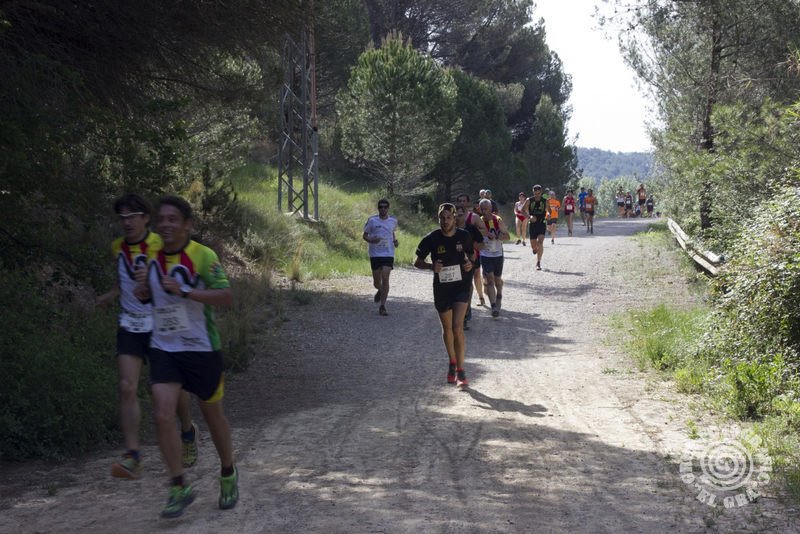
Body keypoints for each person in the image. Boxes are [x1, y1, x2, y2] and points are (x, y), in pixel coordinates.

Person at [136, 195, 238, 518]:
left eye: (173, 219)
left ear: (187, 224)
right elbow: (153, 297)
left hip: (201, 349)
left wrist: (185, 291)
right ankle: (178, 486)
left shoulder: (203, 255)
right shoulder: (151, 256)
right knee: (162, 415)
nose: (165, 225)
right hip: (164, 348)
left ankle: (228, 472)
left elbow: (226, 297)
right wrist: (145, 292)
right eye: (161, 220)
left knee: (213, 417)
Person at [96, 194, 197, 481]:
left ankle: (187, 432)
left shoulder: (160, 244)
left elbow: (175, 279)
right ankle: (133, 457)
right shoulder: (118, 246)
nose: (127, 223)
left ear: (146, 218)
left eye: (132, 217)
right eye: (122, 218)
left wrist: (153, 282)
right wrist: (112, 293)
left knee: (174, 388)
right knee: (126, 386)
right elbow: (124, 273)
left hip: (162, 321)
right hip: (130, 322)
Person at [414, 204, 475, 388]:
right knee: (447, 329)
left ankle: (461, 371)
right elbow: (416, 261)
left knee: (457, 328)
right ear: (438, 219)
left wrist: (470, 263)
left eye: (449, 217)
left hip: (461, 286)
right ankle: (452, 362)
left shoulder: (464, 236)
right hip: (442, 289)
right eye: (442, 218)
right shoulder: (431, 238)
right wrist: (431, 266)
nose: (445, 221)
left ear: (455, 218)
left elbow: (471, 252)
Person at [362, 199, 399, 316]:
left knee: (385, 277)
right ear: (378, 208)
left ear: (388, 208)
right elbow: (365, 235)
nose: (383, 209)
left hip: (388, 253)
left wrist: (395, 241)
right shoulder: (372, 220)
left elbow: (391, 233)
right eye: (381, 207)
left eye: (385, 207)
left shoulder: (393, 221)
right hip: (375, 254)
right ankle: (380, 290)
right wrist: (371, 240)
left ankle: (382, 306)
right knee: (377, 283)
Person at [455, 204, 485, 330]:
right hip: (452, 264)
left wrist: (469, 247)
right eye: (455, 215)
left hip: (468, 262)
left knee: (466, 287)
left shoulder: (471, 228)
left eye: (460, 215)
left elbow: (482, 245)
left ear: (465, 214)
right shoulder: (448, 229)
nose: (457, 217)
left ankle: (465, 316)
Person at [479, 198, 510, 317]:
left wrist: (496, 237)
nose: (483, 211)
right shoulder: (479, 221)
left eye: (485, 209)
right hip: (485, 254)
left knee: (497, 280)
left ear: (491, 208)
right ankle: (493, 307)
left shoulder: (498, 221)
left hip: (497, 254)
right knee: (490, 280)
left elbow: (507, 237)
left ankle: (499, 294)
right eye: (482, 209)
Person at [457, 194, 488, 308]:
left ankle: (480, 297)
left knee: (476, 276)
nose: (462, 203)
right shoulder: (453, 218)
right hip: (458, 252)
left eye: (464, 201)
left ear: (468, 203)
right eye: (460, 201)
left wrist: (472, 233)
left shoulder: (474, 217)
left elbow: (485, 231)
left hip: (473, 251)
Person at [522, 185, 548, 271]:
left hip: (541, 224)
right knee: (533, 245)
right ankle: (534, 248)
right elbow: (522, 210)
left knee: (540, 243)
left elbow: (549, 211)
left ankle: (538, 262)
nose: (537, 195)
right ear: (533, 192)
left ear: (541, 192)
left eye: (538, 193)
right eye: (535, 193)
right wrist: (529, 216)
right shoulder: (529, 200)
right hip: (532, 225)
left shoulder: (545, 201)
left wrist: (549, 215)